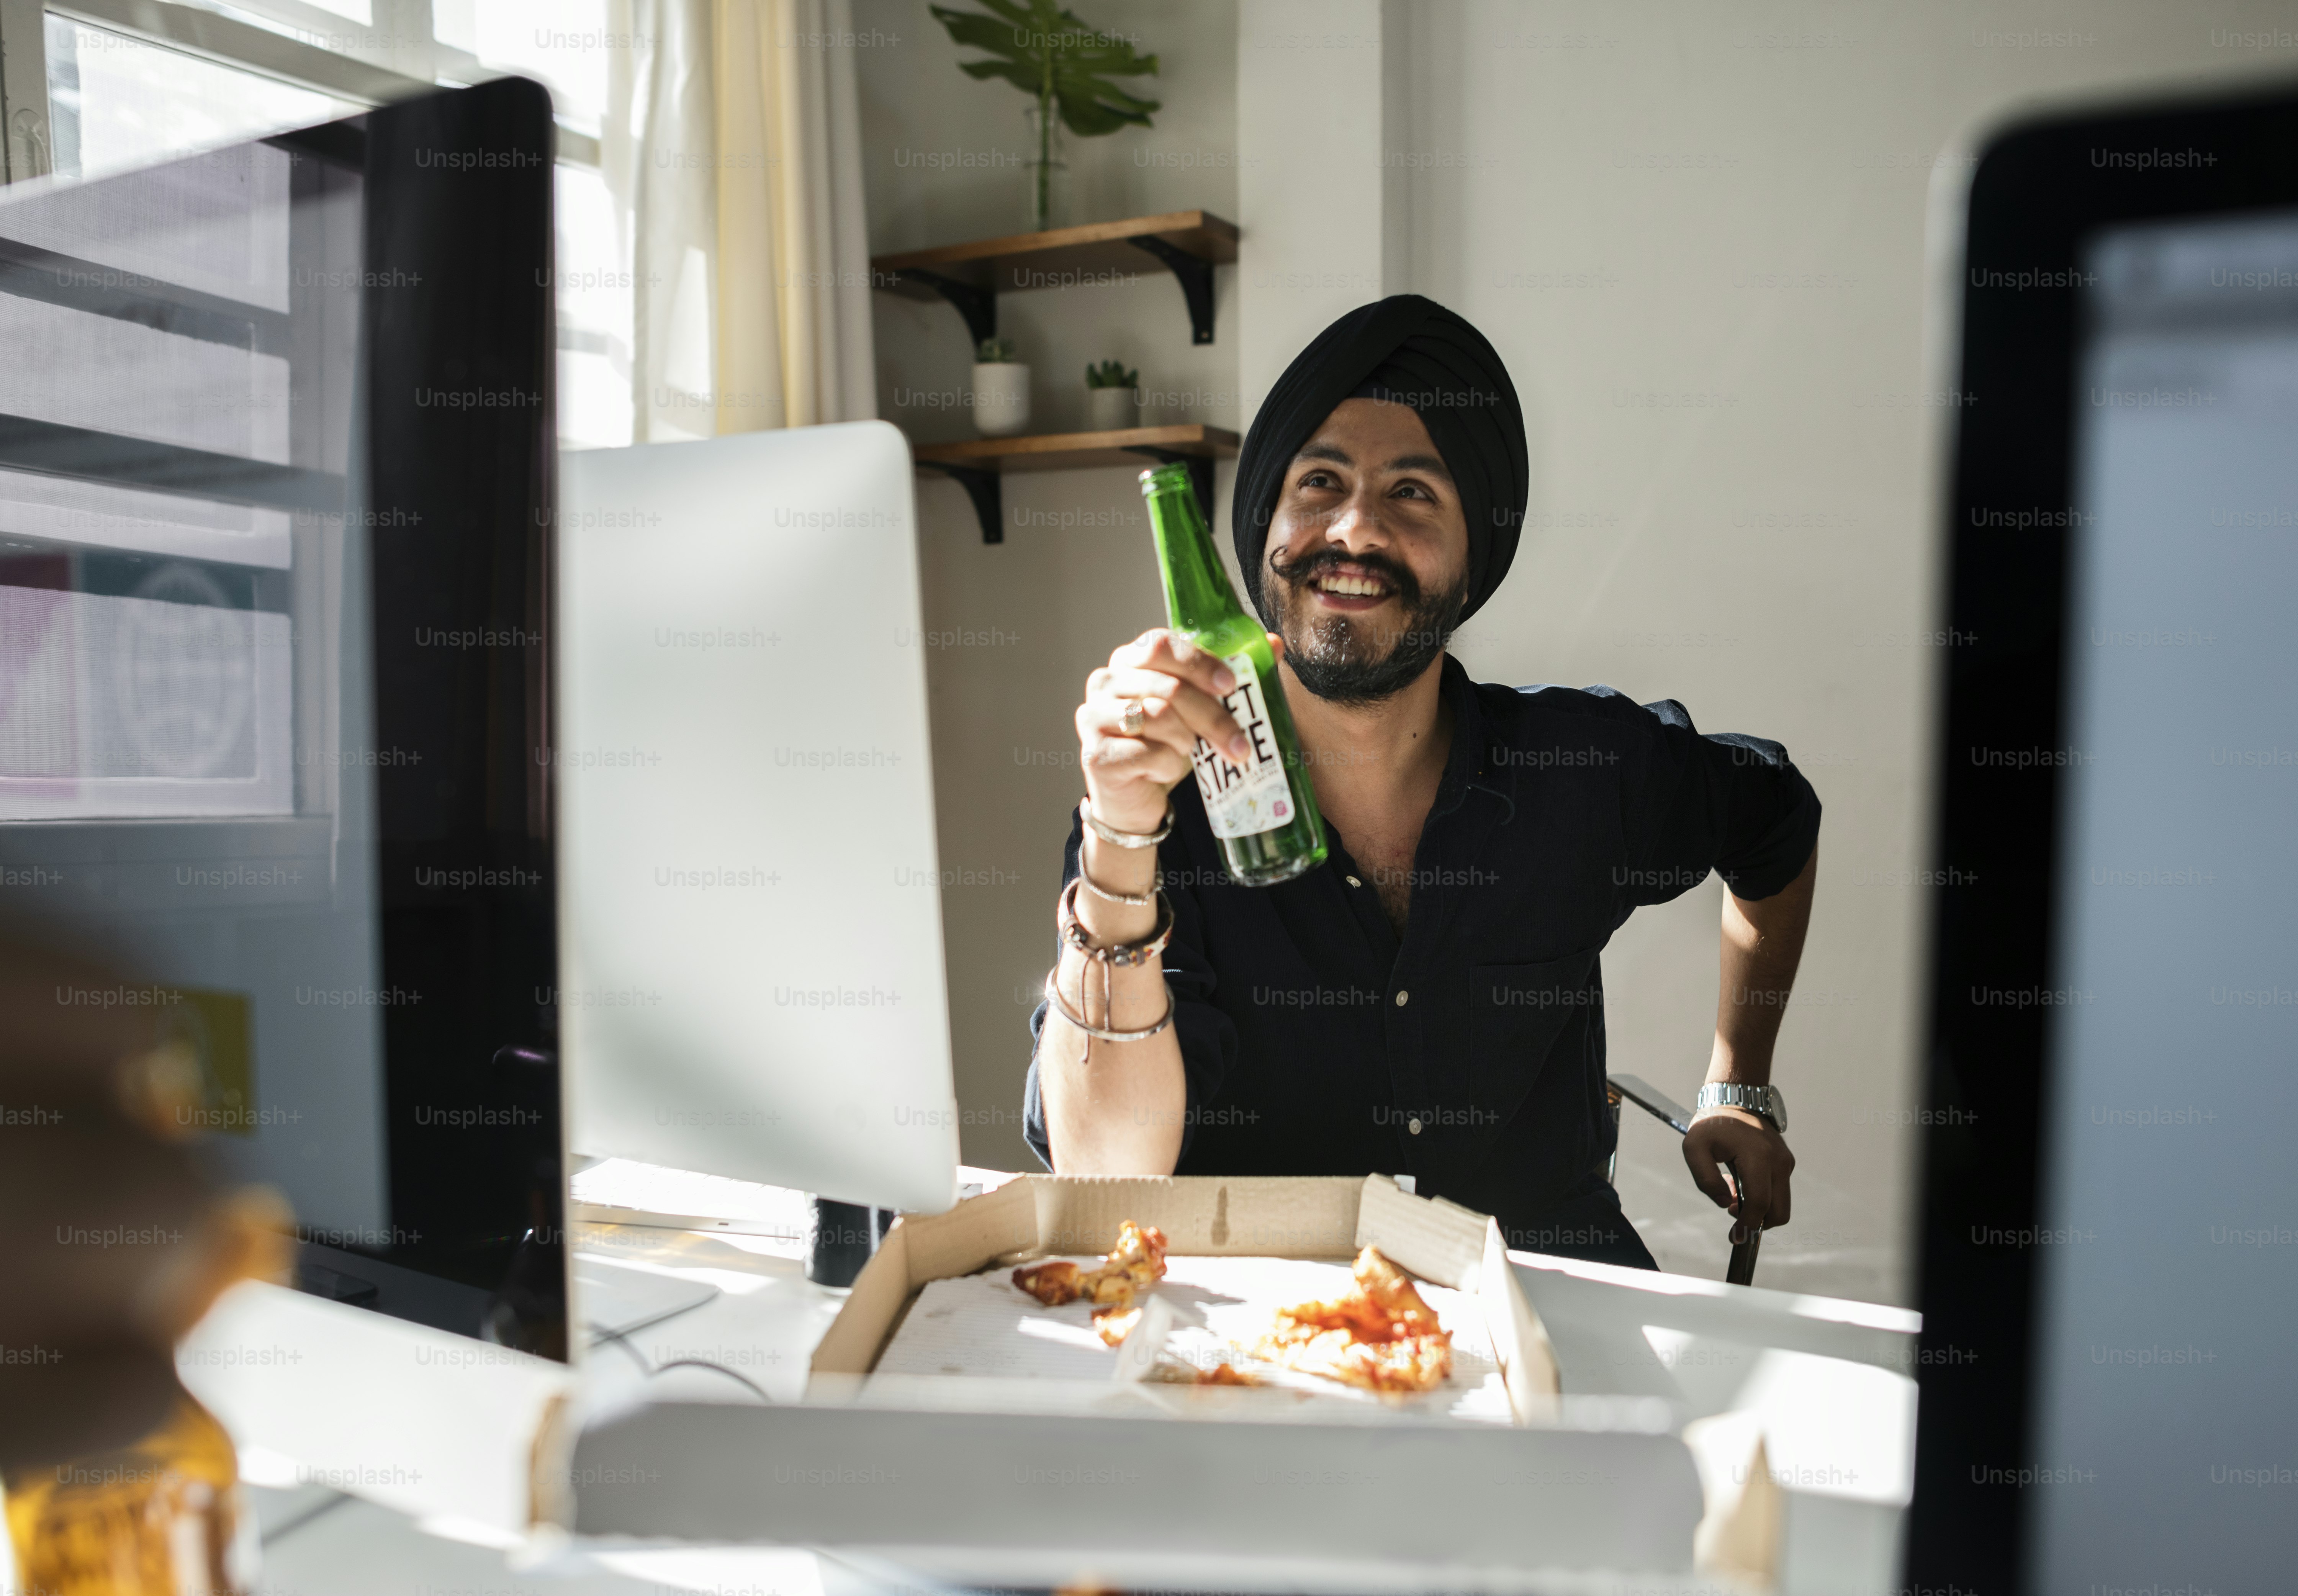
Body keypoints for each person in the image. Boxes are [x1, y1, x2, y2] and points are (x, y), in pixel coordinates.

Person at [1024, 295, 1820, 1269]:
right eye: (1319, 482)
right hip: (1266, 1328)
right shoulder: (1160, 803)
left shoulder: (1585, 770)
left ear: (1473, 553)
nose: (1354, 530)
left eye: (1413, 493)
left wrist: (1739, 1082)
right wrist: (1114, 828)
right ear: (1264, 525)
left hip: (1555, 1301)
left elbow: (1776, 820)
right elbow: (1107, 1178)